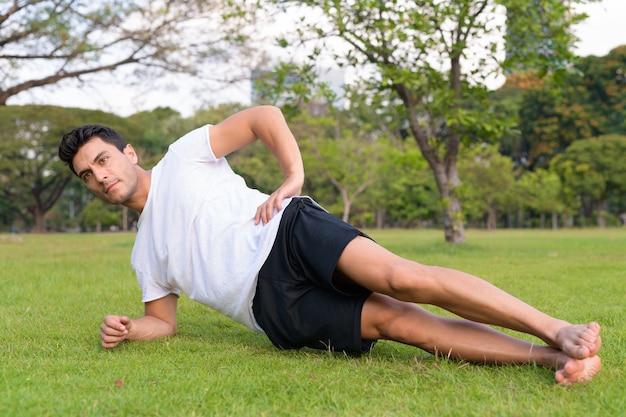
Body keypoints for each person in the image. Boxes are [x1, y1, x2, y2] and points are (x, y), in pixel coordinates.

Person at [59, 105, 601, 386]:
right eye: (87, 175)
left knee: (400, 278)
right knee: (400, 323)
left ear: (127, 152)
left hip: (286, 232)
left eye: (103, 160)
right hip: (271, 308)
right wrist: (132, 330)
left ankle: (557, 327)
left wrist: (292, 175)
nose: (100, 176)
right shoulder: (142, 252)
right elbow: (165, 322)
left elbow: (263, 118)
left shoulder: (182, 155)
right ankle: (552, 357)